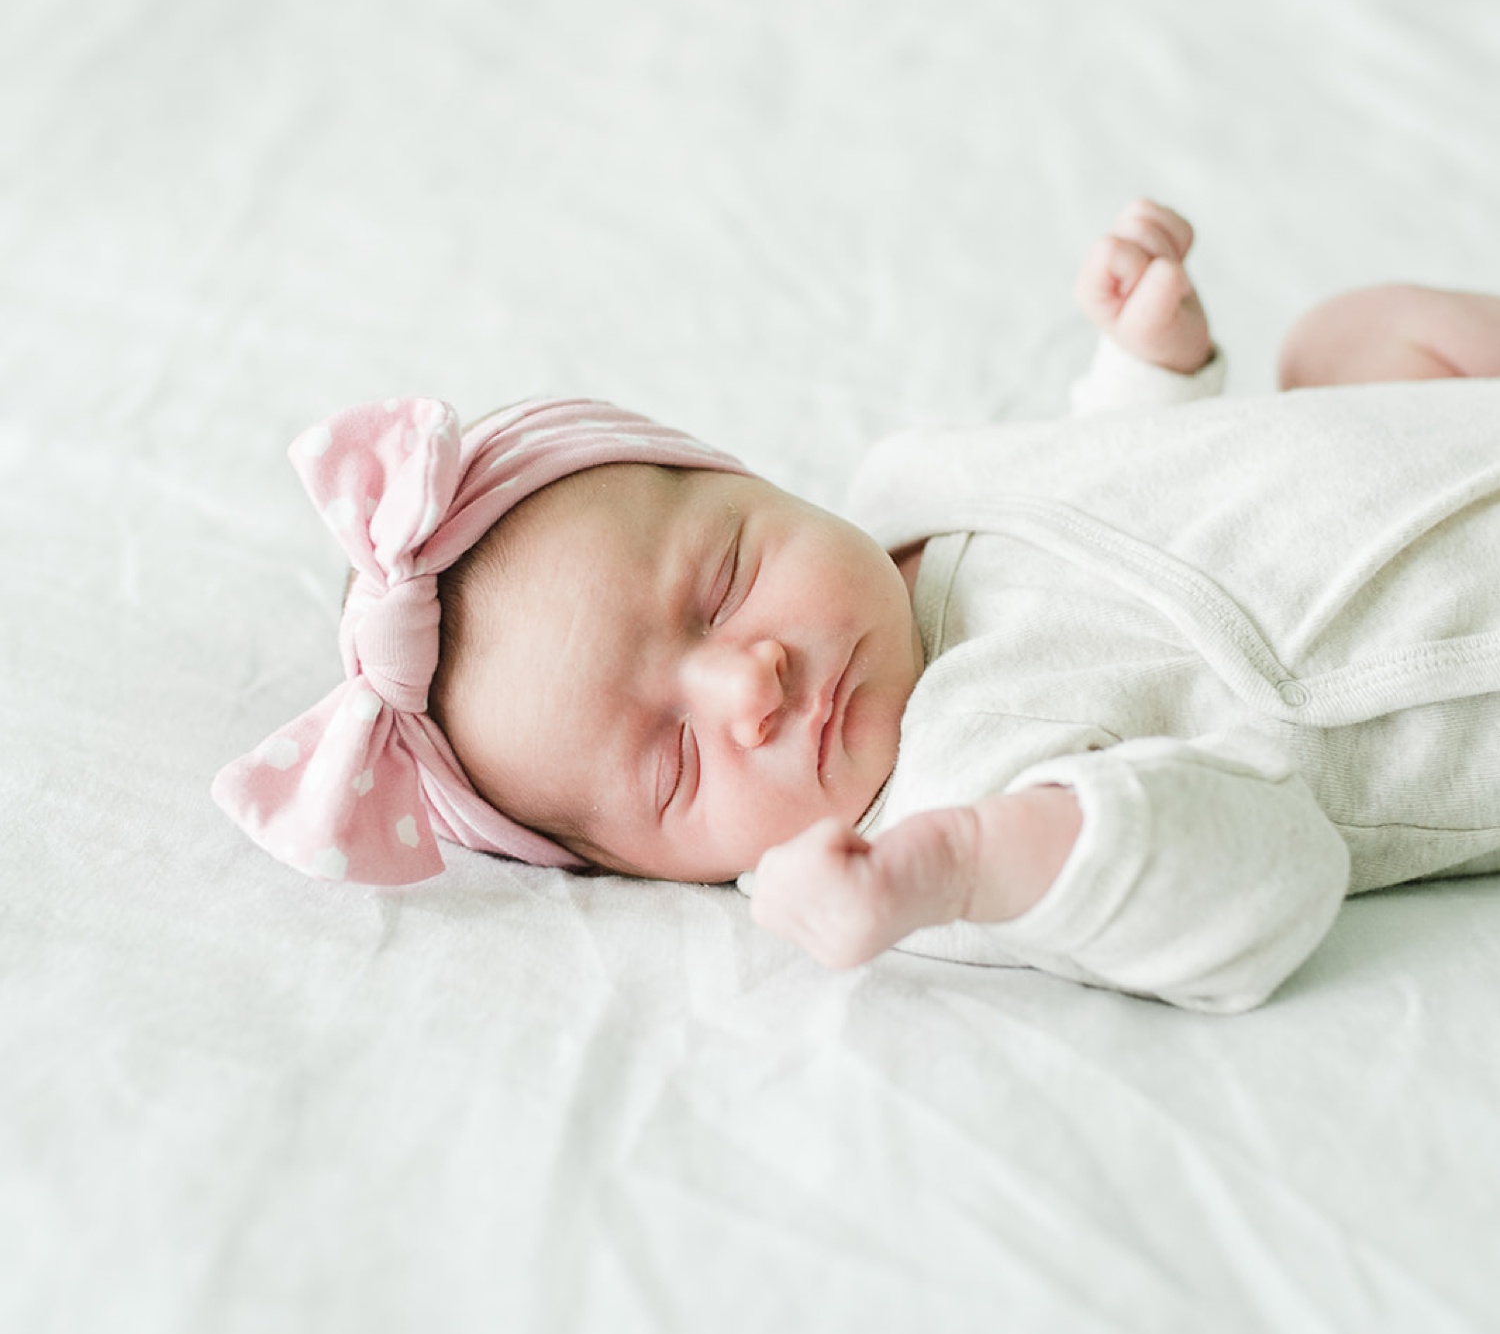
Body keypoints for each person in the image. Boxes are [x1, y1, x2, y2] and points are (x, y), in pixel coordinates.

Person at [212, 202, 1500, 1012]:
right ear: (666, 875)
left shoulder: (903, 492)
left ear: (744, 478)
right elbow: (1265, 877)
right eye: (671, 764)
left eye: (721, 583)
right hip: (1453, 628)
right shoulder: (958, 798)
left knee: (1347, 337)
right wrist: (956, 869)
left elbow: (1090, 488)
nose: (748, 685)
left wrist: (1146, 375)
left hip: (1393, 454)